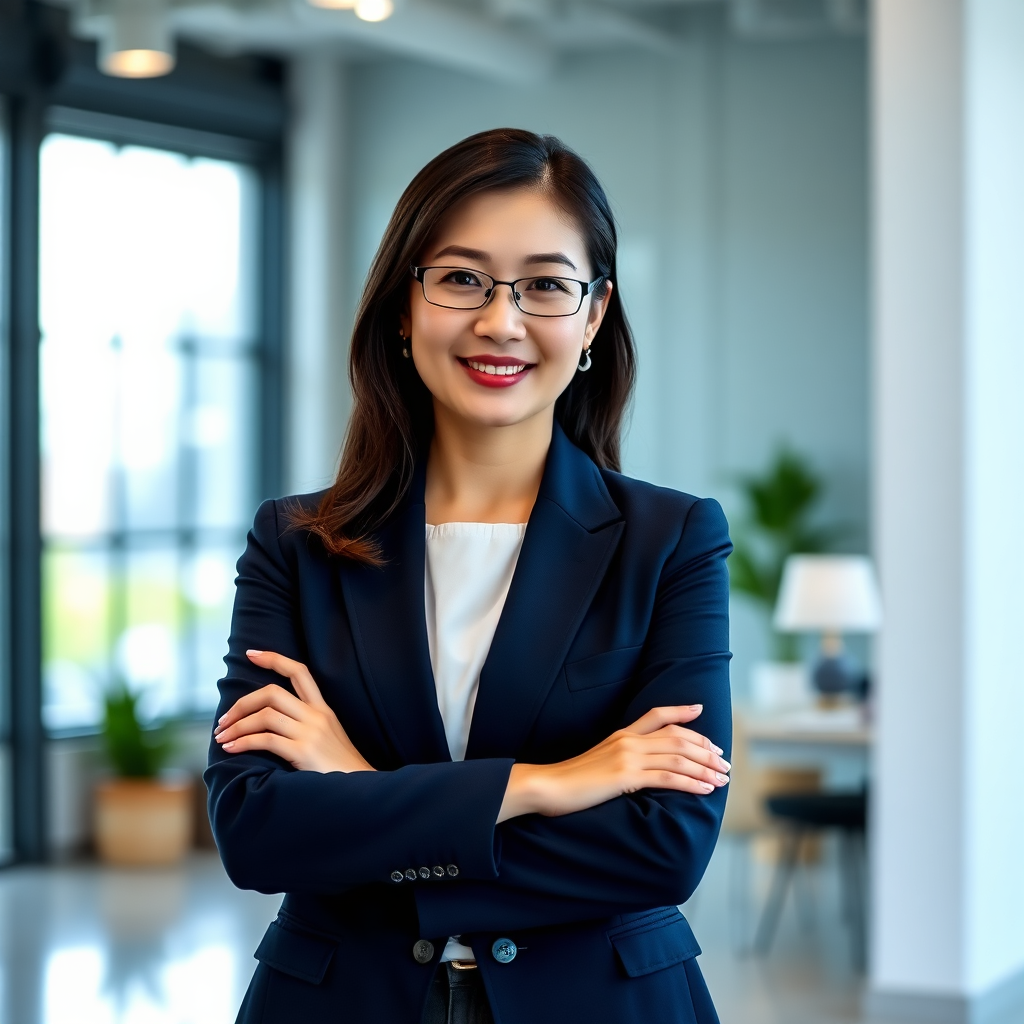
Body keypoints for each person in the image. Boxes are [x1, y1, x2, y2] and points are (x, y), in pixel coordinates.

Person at [206, 127, 733, 1024]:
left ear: (594, 315)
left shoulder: (672, 539)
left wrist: (354, 785)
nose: (500, 320)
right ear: (403, 308)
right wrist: (548, 783)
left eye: (545, 284)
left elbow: (661, 849)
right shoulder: (295, 542)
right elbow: (257, 833)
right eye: (461, 278)